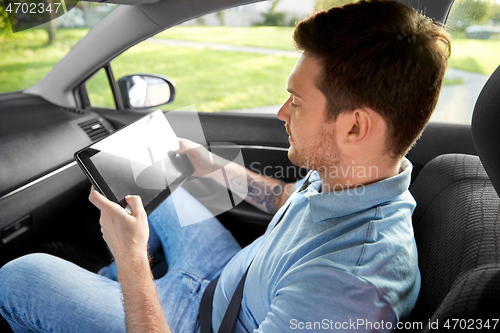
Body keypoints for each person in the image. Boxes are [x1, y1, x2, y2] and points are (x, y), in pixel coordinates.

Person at [0, 0, 451, 332]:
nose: (281, 112)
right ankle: (111, 288)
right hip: (224, 274)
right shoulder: (355, 176)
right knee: (154, 169)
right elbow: (289, 201)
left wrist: (133, 259)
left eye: (297, 101)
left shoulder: (346, 290)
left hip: (199, 323)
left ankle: (120, 288)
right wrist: (210, 166)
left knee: (20, 276)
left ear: (355, 127)